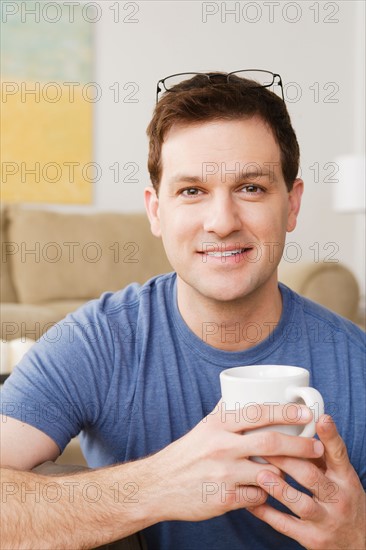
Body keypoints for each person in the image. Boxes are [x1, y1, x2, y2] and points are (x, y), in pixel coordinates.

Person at [1, 71, 365, 550]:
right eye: (191, 190)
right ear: (156, 210)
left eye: (251, 187)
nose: (222, 222)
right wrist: (154, 487)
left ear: (292, 205)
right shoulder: (98, 340)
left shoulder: (356, 361)